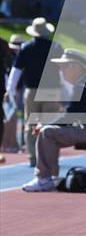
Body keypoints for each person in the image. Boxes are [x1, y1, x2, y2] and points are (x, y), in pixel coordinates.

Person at [22, 49, 86, 192]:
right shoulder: (83, 84)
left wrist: (45, 124)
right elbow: (72, 115)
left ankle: (44, 178)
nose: (61, 71)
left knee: (47, 132)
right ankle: (49, 178)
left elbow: (70, 116)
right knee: (49, 133)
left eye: (64, 67)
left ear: (75, 67)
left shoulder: (83, 87)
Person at [4, 17, 63, 167]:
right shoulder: (55, 47)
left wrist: (9, 90)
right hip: (52, 90)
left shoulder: (26, 48)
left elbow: (15, 72)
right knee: (49, 126)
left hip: (32, 91)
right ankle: (49, 157)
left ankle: (33, 158)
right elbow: (63, 71)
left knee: (31, 125)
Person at [1, 35, 25, 152]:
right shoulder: (12, 58)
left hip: (14, 90)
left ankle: (10, 143)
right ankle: (8, 144)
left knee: (12, 117)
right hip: (11, 90)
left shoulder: (14, 56)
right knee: (10, 117)